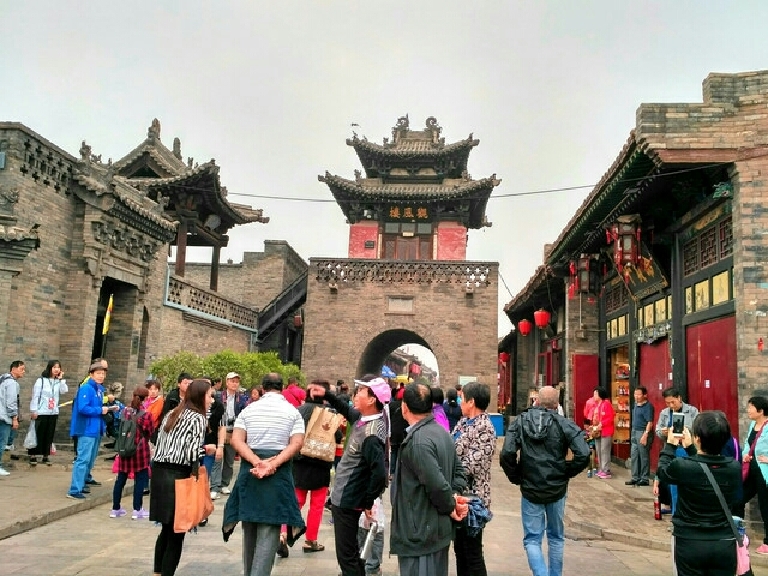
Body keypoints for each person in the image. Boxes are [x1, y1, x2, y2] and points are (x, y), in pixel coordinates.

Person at [500, 385, 590, 576]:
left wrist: (516, 476)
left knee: (532, 539)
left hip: (531, 486)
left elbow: (507, 453)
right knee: (556, 537)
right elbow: (583, 453)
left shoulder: (521, 421)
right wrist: (566, 471)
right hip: (556, 487)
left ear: (537, 401)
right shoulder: (564, 423)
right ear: (557, 404)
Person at [223, 372, 306, 576]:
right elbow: (297, 443)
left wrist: (256, 461)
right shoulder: (293, 412)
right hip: (278, 474)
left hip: (251, 472)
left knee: (249, 526)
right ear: (282, 388)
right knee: (269, 528)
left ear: (263, 388)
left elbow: (236, 440)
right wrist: (272, 464)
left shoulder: (249, 410)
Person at [308, 375, 389, 576]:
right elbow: (346, 409)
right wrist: (327, 394)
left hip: (349, 499)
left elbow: (379, 474)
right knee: (351, 552)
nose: (356, 394)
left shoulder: (371, 434)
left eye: (361, 391)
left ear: (372, 400)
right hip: (346, 496)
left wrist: (368, 501)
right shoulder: (365, 419)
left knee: (347, 557)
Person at [390, 382, 467, 576]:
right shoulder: (441, 432)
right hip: (434, 530)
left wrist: (451, 505)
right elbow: (459, 472)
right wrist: (455, 496)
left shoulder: (418, 442)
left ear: (404, 407)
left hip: (420, 532)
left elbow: (437, 485)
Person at [657, 411, 740, 575]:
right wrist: (691, 449)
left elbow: (663, 471)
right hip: (724, 541)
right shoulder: (734, 468)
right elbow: (704, 467)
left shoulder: (683, 466)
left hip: (689, 541)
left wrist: (670, 445)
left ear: (697, 439)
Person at [150, 378, 214, 576]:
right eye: (210, 396)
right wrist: (207, 450)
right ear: (200, 396)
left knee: (166, 529)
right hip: (178, 476)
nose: (212, 400)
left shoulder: (173, 412)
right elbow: (192, 453)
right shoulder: (198, 418)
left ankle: (157, 572)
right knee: (178, 531)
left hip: (159, 473)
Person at [286, 379, 342, 555]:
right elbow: (337, 436)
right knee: (317, 505)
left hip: (299, 461)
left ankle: (283, 534)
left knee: (296, 501)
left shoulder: (298, 411)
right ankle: (310, 540)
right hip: (321, 463)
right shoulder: (329, 413)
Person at [452, 381, 495, 576]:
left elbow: (471, 465)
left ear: (472, 402)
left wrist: (450, 470)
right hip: (459, 495)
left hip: (473, 498)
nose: (459, 402)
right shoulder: (463, 422)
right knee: (460, 550)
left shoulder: (485, 428)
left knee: (472, 553)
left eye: (462, 398)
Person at [68, 361, 115, 498]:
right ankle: (74, 490)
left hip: (96, 429)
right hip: (86, 429)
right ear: (91, 374)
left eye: (103, 374)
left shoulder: (99, 389)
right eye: (98, 373)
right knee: (83, 459)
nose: (101, 376)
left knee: (90, 459)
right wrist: (100, 410)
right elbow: (82, 408)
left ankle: (82, 483)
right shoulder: (86, 388)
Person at [111, 385, 155, 519]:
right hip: (140, 451)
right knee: (140, 480)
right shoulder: (146, 415)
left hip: (124, 449)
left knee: (120, 479)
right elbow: (150, 431)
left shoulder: (125, 411)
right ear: (145, 399)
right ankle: (137, 509)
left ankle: (115, 508)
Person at [655, 387, 700, 514]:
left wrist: (684, 430)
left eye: (673, 402)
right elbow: (658, 430)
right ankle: (671, 507)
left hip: (687, 449)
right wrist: (664, 432)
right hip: (671, 448)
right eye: (667, 403)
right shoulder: (664, 413)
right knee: (670, 480)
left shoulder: (692, 411)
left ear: (679, 398)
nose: (671, 405)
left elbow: (698, 429)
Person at [741, 395, 768, 554]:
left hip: (764, 473)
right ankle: (738, 533)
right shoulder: (752, 424)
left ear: (761, 410)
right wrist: (745, 454)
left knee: (766, 507)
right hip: (750, 471)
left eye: (751, 407)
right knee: (739, 499)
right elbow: (747, 443)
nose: (748, 410)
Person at [27, 360, 67, 466]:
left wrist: (61, 380)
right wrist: (34, 410)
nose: (56, 369)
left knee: (49, 434)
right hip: (41, 411)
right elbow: (35, 396)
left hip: (53, 412)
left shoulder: (58, 381)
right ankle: (33, 455)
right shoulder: (41, 381)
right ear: (50, 368)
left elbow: (64, 391)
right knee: (38, 433)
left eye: (58, 367)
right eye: (54, 367)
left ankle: (46, 455)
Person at [218, 371, 248, 495]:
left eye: (236, 382)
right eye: (232, 381)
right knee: (217, 460)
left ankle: (224, 484)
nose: (234, 384)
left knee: (229, 461)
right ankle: (214, 485)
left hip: (233, 431)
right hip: (220, 430)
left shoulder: (241, 398)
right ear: (227, 382)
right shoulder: (219, 396)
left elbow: (244, 414)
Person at [626, 386, 654, 486]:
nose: (636, 396)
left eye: (639, 394)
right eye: (635, 394)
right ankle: (635, 477)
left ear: (645, 395)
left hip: (643, 432)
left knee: (643, 456)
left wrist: (645, 434)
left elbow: (650, 422)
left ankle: (644, 478)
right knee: (634, 455)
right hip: (634, 431)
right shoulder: (635, 404)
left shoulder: (648, 406)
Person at [0, 360, 25, 476]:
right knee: (2, 442)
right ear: (13, 369)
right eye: (21, 369)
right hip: (4, 417)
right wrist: (14, 418)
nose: (23, 372)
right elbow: (11, 402)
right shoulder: (11, 383)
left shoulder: (3, 379)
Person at [203, 383, 226, 501]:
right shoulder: (191, 406)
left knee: (207, 469)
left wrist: (220, 446)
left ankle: (213, 488)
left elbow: (222, 427)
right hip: (195, 444)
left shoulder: (218, 406)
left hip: (210, 442)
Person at [590, 387, 615, 479]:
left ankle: (606, 470)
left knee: (605, 450)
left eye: (596, 394)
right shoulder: (598, 405)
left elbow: (611, 417)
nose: (594, 396)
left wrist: (602, 423)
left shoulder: (606, 404)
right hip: (598, 430)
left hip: (606, 431)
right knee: (599, 450)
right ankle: (601, 468)